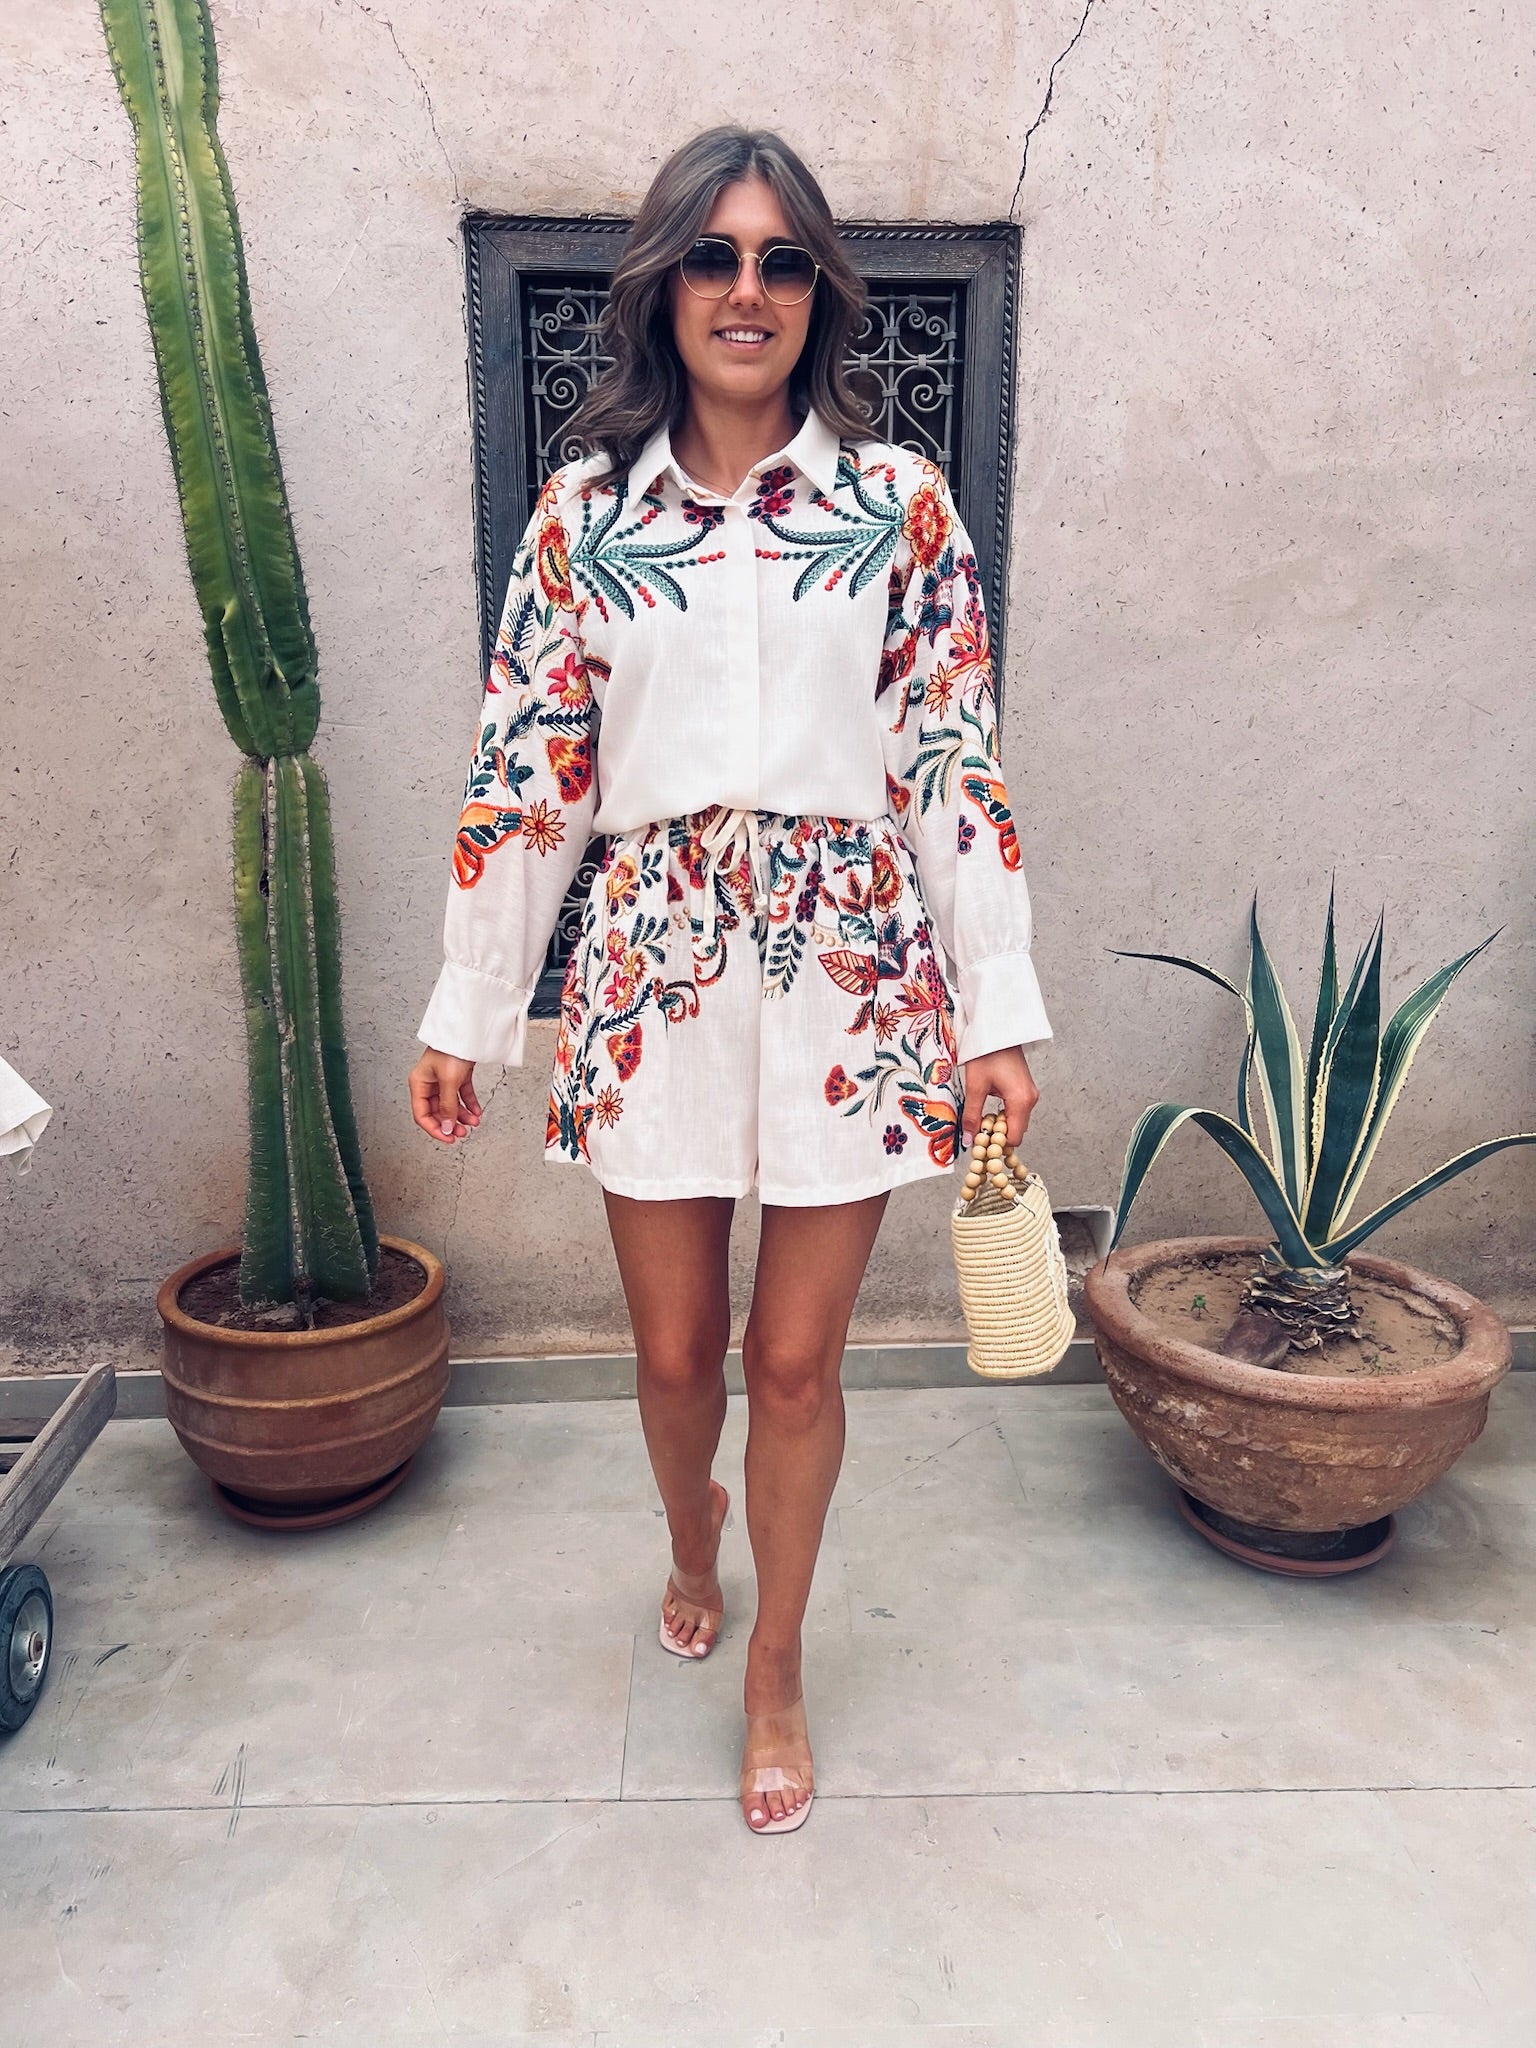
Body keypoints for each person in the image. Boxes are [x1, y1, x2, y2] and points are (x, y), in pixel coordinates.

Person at [409, 126, 1051, 1835]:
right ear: (665, 287)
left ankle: (776, 1664)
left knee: (794, 1363)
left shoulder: (900, 508)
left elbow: (951, 760)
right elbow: (526, 777)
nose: (746, 290)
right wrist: (470, 1006)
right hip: (654, 966)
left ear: (817, 292)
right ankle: (690, 1535)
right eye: (713, 256)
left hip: (855, 971)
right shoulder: (583, 519)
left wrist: (995, 1006)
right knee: (678, 1350)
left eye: (779, 260)